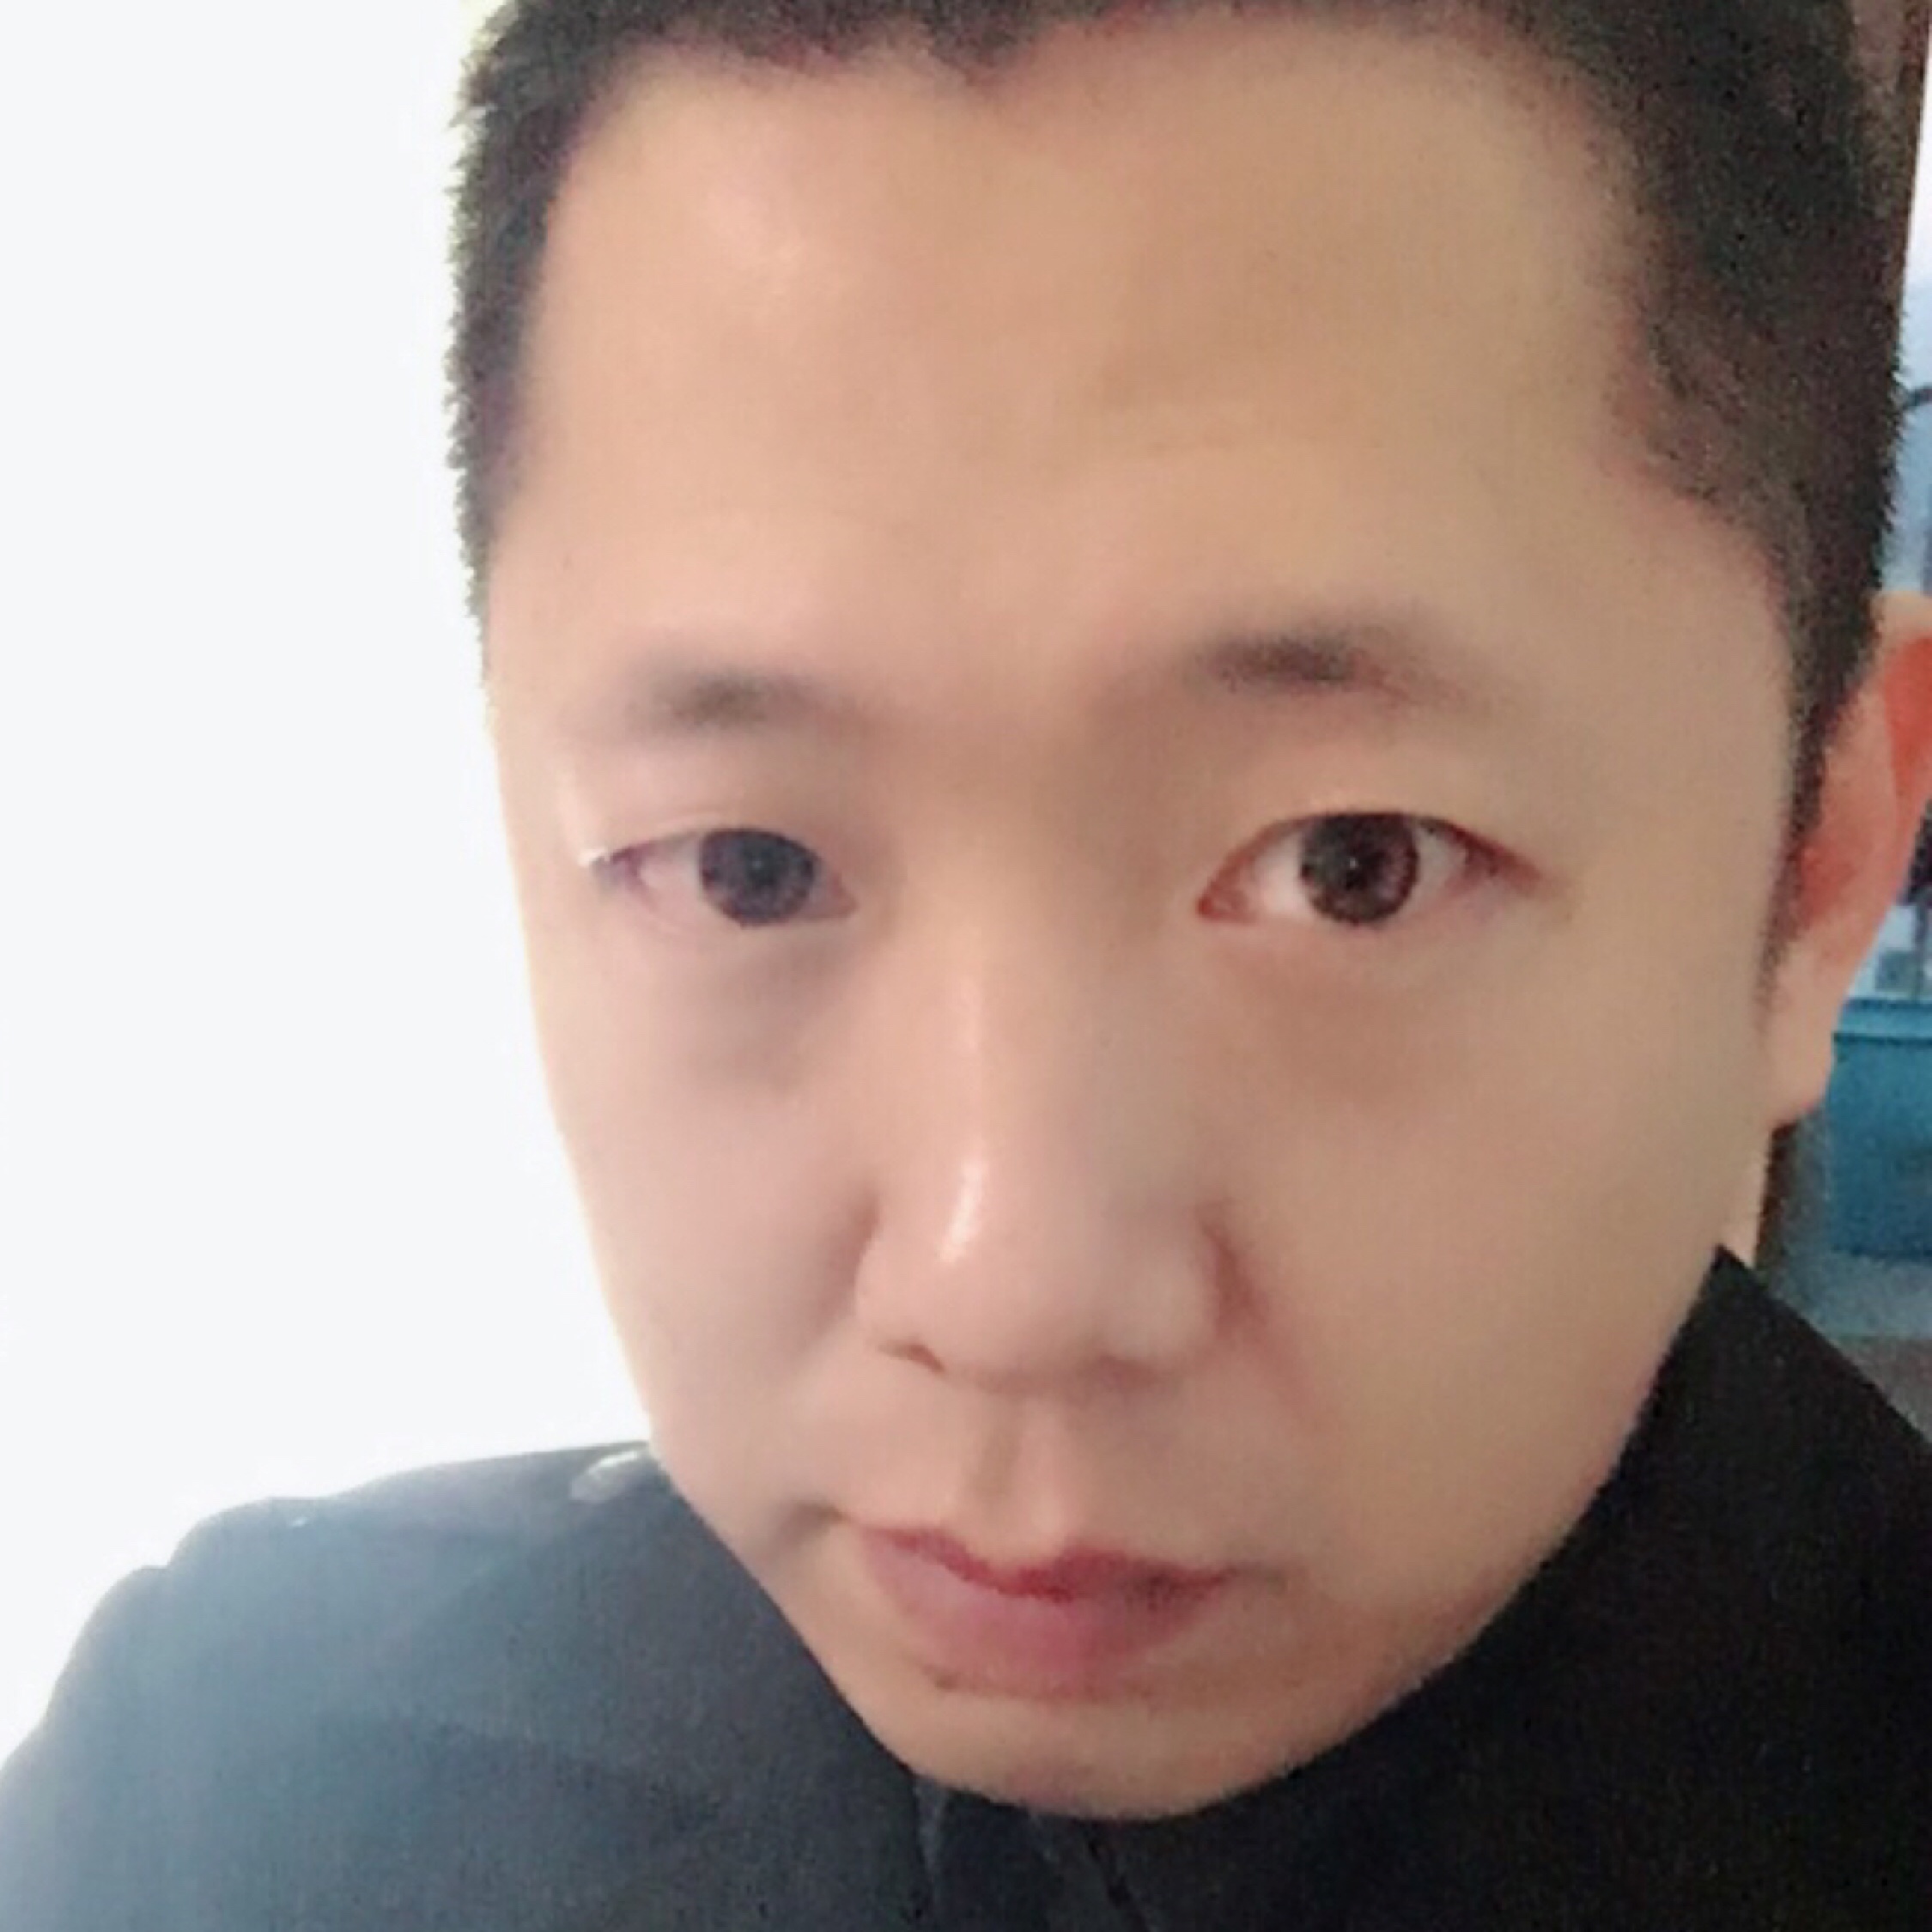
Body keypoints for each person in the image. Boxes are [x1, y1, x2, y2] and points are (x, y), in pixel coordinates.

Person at [5, 0, 1932, 1923]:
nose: (1008, 1287)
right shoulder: (229, 1786)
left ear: (1820, 863)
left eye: (1354, 869)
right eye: (749, 868)